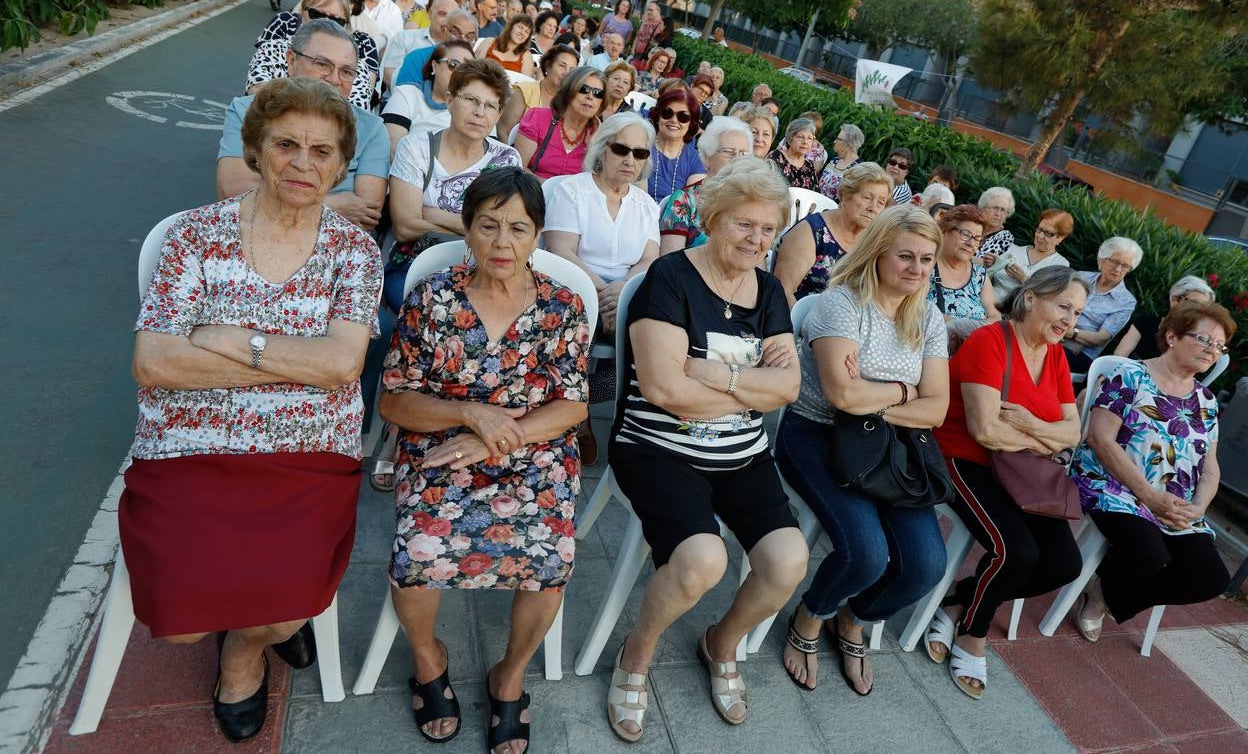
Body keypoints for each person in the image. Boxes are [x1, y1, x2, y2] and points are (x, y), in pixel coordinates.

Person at [126, 77, 381, 742]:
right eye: (286, 144)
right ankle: (240, 624)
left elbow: (342, 365)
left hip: (306, 457)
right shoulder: (194, 236)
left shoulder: (354, 252)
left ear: (341, 164)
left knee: (286, 609)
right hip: (189, 449)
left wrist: (236, 340)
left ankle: (244, 651)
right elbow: (155, 362)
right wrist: (299, 361)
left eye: (322, 151)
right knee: (180, 627)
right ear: (256, 149)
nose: (303, 163)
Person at [381, 168, 589, 749]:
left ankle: (510, 674)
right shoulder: (433, 298)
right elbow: (394, 400)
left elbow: (573, 405)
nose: (502, 242)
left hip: (534, 449)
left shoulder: (562, 305)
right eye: (488, 226)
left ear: (538, 235)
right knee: (417, 551)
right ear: (468, 229)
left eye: (518, 229)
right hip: (442, 443)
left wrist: (499, 436)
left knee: (550, 557)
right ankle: (428, 659)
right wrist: (471, 415)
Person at [605, 157, 808, 741]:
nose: (756, 239)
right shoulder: (670, 278)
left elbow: (788, 389)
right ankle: (638, 651)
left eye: (768, 229)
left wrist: (719, 376)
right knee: (703, 560)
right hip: (658, 449)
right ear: (713, 218)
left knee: (788, 561)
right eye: (745, 224)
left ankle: (722, 642)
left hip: (742, 456)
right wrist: (752, 388)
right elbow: (665, 392)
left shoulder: (769, 291)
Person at [776, 206, 950, 695]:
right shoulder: (842, 304)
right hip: (817, 434)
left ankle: (852, 617)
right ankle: (811, 614)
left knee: (926, 566)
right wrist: (907, 391)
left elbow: (937, 408)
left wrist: (875, 400)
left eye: (927, 259)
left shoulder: (928, 317)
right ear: (877, 252)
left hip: (892, 447)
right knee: (868, 554)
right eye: (906, 256)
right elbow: (841, 397)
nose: (917, 269)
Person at [929, 266, 1089, 699]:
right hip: (964, 458)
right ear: (1031, 297)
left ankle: (959, 600)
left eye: (1077, 313)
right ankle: (974, 634)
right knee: (1017, 552)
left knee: (1064, 564)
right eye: (1064, 307)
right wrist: (1047, 437)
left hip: (1022, 467)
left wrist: (1031, 424)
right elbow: (984, 431)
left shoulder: (1055, 355)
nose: (1070, 321)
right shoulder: (990, 341)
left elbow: (1073, 433)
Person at [1070, 301, 1235, 642]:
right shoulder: (1130, 375)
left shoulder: (1206, 402)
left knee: (1211, 578)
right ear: (1172, 337)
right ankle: (1104, 592)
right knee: (1149, 554)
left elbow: (1210, 470)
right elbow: (1100, 438)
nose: (1212, 350)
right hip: (1113, 485)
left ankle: (1103, 594)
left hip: (1173, 502)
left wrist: (1197, 509)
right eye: (1205, 339)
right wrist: (1148, 495)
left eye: (1220, 346)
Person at [219, 20, 388, 232]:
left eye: (346, 71)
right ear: (291, 60)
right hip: (252, 233)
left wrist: (270, 197)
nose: (334, 79)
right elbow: (233, 193)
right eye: (322, 64)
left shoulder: (371, 129)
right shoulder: (247, 110)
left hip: (332, 244)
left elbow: (365, 217)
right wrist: (332, 204)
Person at [386, 58, 521, 309]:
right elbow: (405, 226)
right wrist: (479, 226)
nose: (480, 112)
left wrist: (429, 213)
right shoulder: (416, 148)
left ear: (499, 114)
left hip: (483, 270)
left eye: (490, 105)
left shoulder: (506, 159)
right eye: (471, 100)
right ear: (449, 100)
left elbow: (503, 229)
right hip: (417, 263)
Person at [543, 111, 660, 340]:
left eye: (639, 153)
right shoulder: (572, 191)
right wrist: (605, 297)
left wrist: (623, 291)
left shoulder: (646, 205)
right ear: (602, 149)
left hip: (625, 292)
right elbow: (561, 252)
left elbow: (649, 260)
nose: (630, 160)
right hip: (574, 285)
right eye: (620, 149)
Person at [247, 0, 380, 110]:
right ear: (301, 13)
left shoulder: (353, 67)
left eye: (336, 20)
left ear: (346, 26)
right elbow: (257, 94)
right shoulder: (274, 49)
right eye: (316, 14)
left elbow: (355, 113)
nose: (325, 23)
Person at [774, 163, 892, 307]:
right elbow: (782, 291)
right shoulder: (810, 232)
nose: (873, 208)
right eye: (867, 198)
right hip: (803, 316)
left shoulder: (873, 242)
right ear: (845, 196)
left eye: (881, 202)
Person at [658, 117, 752, 255]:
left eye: (743, 153)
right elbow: (670, 260)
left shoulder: (753, 200)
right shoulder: (684, 201)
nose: (737, 159)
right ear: (707, 157)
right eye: (728, 151)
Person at [1062, 237, 1143, 372]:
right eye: (1114, 261)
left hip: (1080, 353)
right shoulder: (1080, 277)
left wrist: (1066, 332)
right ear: (1102, 259)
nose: (1118, 269)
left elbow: (1100, 338)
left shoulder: (1126, 301)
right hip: (1055, 332)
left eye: (1125, 266)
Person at [381, 38, 473, 155]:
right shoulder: (407, 94)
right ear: (435, 66)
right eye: (453, 64)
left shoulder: (476, 108)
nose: (459, 73)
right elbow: (392, 148)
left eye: (467, 70)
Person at [928, 204, 1000, 347]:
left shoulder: (979, 275)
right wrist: (966, 327)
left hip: (972, 350)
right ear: (945, 230)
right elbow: (917, 310)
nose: (970, 243)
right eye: (965, 234)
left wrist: (963, 328)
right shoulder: (926, 264)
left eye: (977, 239)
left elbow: (996, 317)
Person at [515, 65, 603, 179]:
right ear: (569, 91)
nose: (590, 97)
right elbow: (519, 169)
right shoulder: (537, 118)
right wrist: (551, 186)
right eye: (584, 89)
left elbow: (598, 181)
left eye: (598, 93)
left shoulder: (599, 135)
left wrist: (592, 146)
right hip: (533, 188)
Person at [382, 0, 473, 90]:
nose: (446, 20)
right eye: (442, 14)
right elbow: (388, 74)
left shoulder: (459, 50)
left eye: (451, 16)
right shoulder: (404, 37)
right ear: (430, 13)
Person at [1110, 276, 1215, 360]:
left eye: (1205, 308)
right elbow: (1119, 356)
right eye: (1195, 304)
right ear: (1175, 300)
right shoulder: (1145, 322)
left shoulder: (1195, 339)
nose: (1200, 311)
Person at [988, 209, 1075, 309]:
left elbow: (1049, 297)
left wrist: (1024, 279)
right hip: (988, 301)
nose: (1040, 236)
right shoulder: (1013, 250)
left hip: (1018, 312)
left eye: (1048, 233)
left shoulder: (1060, 264)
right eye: (1040, 229)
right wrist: (991, 265)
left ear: (1061, 237)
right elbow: (986, 278)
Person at [496, 45, 580, 140]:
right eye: (562, 66)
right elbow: (502, 130)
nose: (566, 73)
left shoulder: (571, 103)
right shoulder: (525, 92)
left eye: (571, 70)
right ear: (548, 65)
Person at [647, 86, 705, 200]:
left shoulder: (696, 160)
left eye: (683, 116)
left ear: (691, 123)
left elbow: (690, 203)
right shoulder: (641, 147)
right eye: (667, 113)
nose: (674, 120)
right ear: (658, 116)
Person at [768, 116, 824, 190]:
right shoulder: (775, 157)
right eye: (800, 137)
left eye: (809, 138)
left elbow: (815, 193)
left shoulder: (809, 167)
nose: (805, 142)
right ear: (790, 138)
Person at [817, 124, 865, 202]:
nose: (834, 141)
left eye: (838, 139)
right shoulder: (833, 160)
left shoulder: (858, 169)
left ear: (848, 144)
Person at [976, 187, 1017, 265]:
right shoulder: (973, 227)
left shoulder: (1005, 238)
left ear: (1007, 214)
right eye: (995, 208)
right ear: (983, 208)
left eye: (1003, 210)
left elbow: (984, 264)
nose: (998, 214)